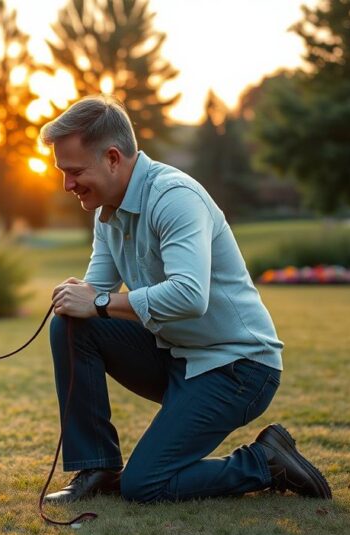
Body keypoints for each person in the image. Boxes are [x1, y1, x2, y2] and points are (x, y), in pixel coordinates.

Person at [41, 95, 331, 504]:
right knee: (72, 324)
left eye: (74, 172)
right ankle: (98, 468)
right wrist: (81, 300)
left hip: (239, 367)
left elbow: (189, 296)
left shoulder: (174, 197)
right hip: (178, 355)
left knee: (145, 485)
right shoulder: (107, 212)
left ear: (112, 158)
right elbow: (93, 302)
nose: (67, 185)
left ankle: (266, 462)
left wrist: (101, 303)